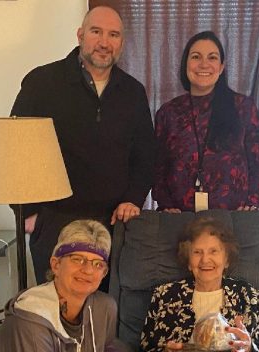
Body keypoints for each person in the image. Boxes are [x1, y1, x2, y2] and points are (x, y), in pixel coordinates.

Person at [10, 6, 155, 284]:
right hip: (54, 220)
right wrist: (26, 211)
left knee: (103, 312)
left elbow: (145, 154)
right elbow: (15, 148)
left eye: (113, 35)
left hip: (111, 223)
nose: (104, 42)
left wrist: (133, 198)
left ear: (121, 43)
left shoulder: (133, 92)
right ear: (80, 35)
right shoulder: (42, 83)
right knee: (55, 311)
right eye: (96, 31)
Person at [0, 220, 139, 352]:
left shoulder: (103, 307)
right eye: (77, 259)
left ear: (104, 274)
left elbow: (103, 350)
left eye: (98, 264)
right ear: (56, 265)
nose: (88, 270)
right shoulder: (30, 320)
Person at [152, 31, 259, 213]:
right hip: (180, 219)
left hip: (235, 219)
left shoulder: (243, 107)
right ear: (186, 64)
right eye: (196, 57)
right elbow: (158, 168)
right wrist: (166, 205)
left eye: (212, 57)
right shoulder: (169, 112)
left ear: (221, 67)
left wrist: (252, 203)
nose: (204, 64)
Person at [139, 217, 259, 352]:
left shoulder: (248, 295)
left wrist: (249, 349)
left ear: (227, 259)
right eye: (197, 252)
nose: (205, 259)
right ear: (188, 261)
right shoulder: (165, 295)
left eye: (213, 251)